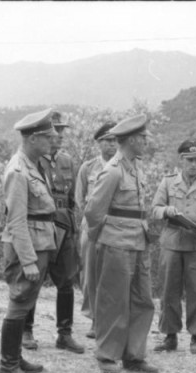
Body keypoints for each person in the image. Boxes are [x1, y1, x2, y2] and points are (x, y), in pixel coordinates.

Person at [84, 114, 158, 373]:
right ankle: (107, 354)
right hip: (115, 243)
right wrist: (100, 238)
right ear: (131, 140)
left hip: (139, 242)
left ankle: (134, 355)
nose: (146, 142)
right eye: (142, 138)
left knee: (143, 300)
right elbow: (93, 211)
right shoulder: (113, 171)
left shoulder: (136, 167)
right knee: (113, 300)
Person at [0, 108, 59, 373]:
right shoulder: (19, 170)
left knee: (25, 303)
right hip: (28, 246)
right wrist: (28, 260)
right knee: (19, 302)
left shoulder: (34, 164)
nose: (54, 140)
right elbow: (17, 221)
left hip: (40, 242)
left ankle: (16, 358)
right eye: (48, 136)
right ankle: (8, 368)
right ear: (34, 138)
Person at [151, 138, 196, 355]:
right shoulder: (168, 182)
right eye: (190, 160)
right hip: (172, 242)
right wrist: (166, 212)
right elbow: (154, 208)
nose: (194, 164)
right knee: (169, 291)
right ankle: (170, 335)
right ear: (181, 160)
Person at [21, 111, 84, 354]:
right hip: (43, 226)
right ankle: (27, 330)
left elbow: (70, 198)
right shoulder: (34, 160)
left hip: (64, 227)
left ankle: (64, 333)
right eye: (56, 130)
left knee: (67, 280)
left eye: (62, 130)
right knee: (34, 280)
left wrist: (73, 228)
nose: (60, 135)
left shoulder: (67, 160)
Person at [76, 121, 118, 339]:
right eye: (108, 141)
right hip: (92, 227)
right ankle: (93, 319)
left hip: (116, 228)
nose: (112, 146)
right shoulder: (88, 168)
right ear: (99, 143)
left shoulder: (124, 167)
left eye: (115, 141)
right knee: (90, 274)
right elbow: (80, 199)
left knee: (112, 274)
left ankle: (109, 318)